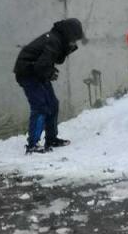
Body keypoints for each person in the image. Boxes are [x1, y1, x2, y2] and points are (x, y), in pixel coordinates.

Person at [12, 18, 85, 154]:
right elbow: (41, 65)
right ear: (69, 33)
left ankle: (51, 139)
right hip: (28, 74)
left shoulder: (57, 40)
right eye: (74, 38)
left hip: (37, 73)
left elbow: (56, 59)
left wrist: (68, 48)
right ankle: (33, 144)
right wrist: (50, 73)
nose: (74, 42)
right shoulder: (53, 40)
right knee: (40, 106)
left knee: (52, 104)